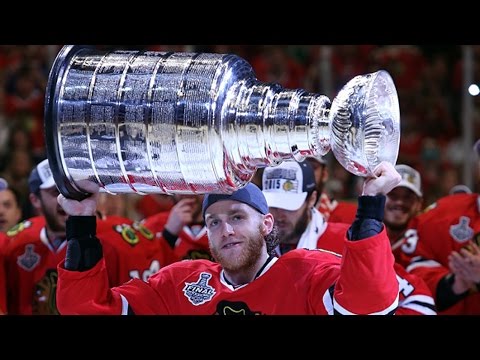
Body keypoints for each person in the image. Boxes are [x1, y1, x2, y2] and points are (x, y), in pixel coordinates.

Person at [56, 161, 401, 315]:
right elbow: (88, 310)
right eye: (214, 222)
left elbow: (370, 303)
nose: (227, 230)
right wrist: (81, 221)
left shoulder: (305, 274)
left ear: (267, 224)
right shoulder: (178, 285)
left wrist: (370, 205)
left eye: (237, 217)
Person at [262, 160, 436, 315]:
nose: (279, 215)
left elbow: (421, 301)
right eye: (273, 205)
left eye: (288, 206)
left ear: (312, 199)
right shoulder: (251, 246)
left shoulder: (348, 241)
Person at [4, 159, 176, 314]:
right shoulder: (16, 243)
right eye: (55, 191)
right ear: (35, 200)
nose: (66, 196)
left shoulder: (124, 239)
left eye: (73, 188)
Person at [142, 194, 213, 261]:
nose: (188, 193)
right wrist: (168, 235)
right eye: (181, 185)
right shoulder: (151, 226)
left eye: (193, 185)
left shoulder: (221, 225)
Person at [383, 164, 424, 266]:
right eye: (393, 195)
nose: (400, 202)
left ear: (419, 204)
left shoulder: (427, 244)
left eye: (408, 197)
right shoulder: (364, 236)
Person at [305, 156, 357, 224]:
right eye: (300, 166)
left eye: (312, 167)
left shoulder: (348, 215)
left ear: (324, 174)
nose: (304, 173)